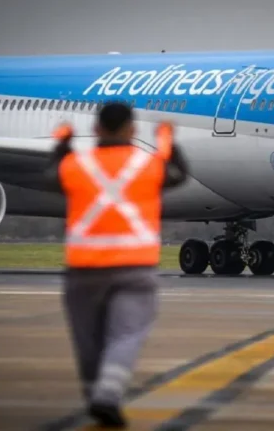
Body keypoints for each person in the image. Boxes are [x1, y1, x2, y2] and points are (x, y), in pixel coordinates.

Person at [45, 101, 189, 428]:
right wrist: (168, 140)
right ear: (133, 130)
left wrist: (62, 143)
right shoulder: (147, 164)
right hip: (134, 267)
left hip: (84, 270)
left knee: (88, 339)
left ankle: (93, 392)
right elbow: (178, 173)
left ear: (95, 129)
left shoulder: (77, 164)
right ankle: (108, 395)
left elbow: (51, 176)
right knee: (126, 335)